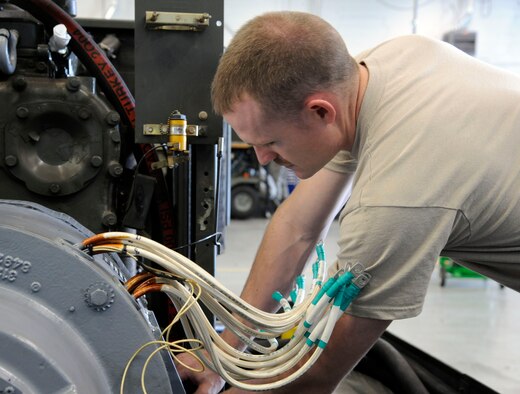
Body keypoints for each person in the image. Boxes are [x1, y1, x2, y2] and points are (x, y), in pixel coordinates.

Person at [177, 10, 520, 393]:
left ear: (321, 111)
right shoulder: (378, 67)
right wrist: (221, 355)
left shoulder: (395, 198)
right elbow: (298, 227)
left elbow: (319, 375)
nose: (261, 159)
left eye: (271, 142)